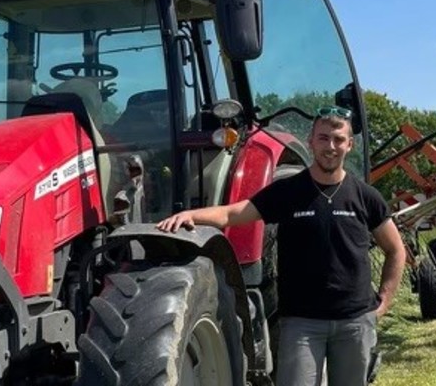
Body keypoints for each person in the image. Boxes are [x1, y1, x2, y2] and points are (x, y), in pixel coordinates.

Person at [156, 106, 406, 386]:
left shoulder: (366, 197)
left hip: (355, 322)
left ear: (350, 144)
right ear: (311, 142)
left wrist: (384, 301)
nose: (330, 147)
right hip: (302, 324)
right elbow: (233, 214)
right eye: (323, 138)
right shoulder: (288, 192)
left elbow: (395, 249)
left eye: (338, 140)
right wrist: (191, 215)